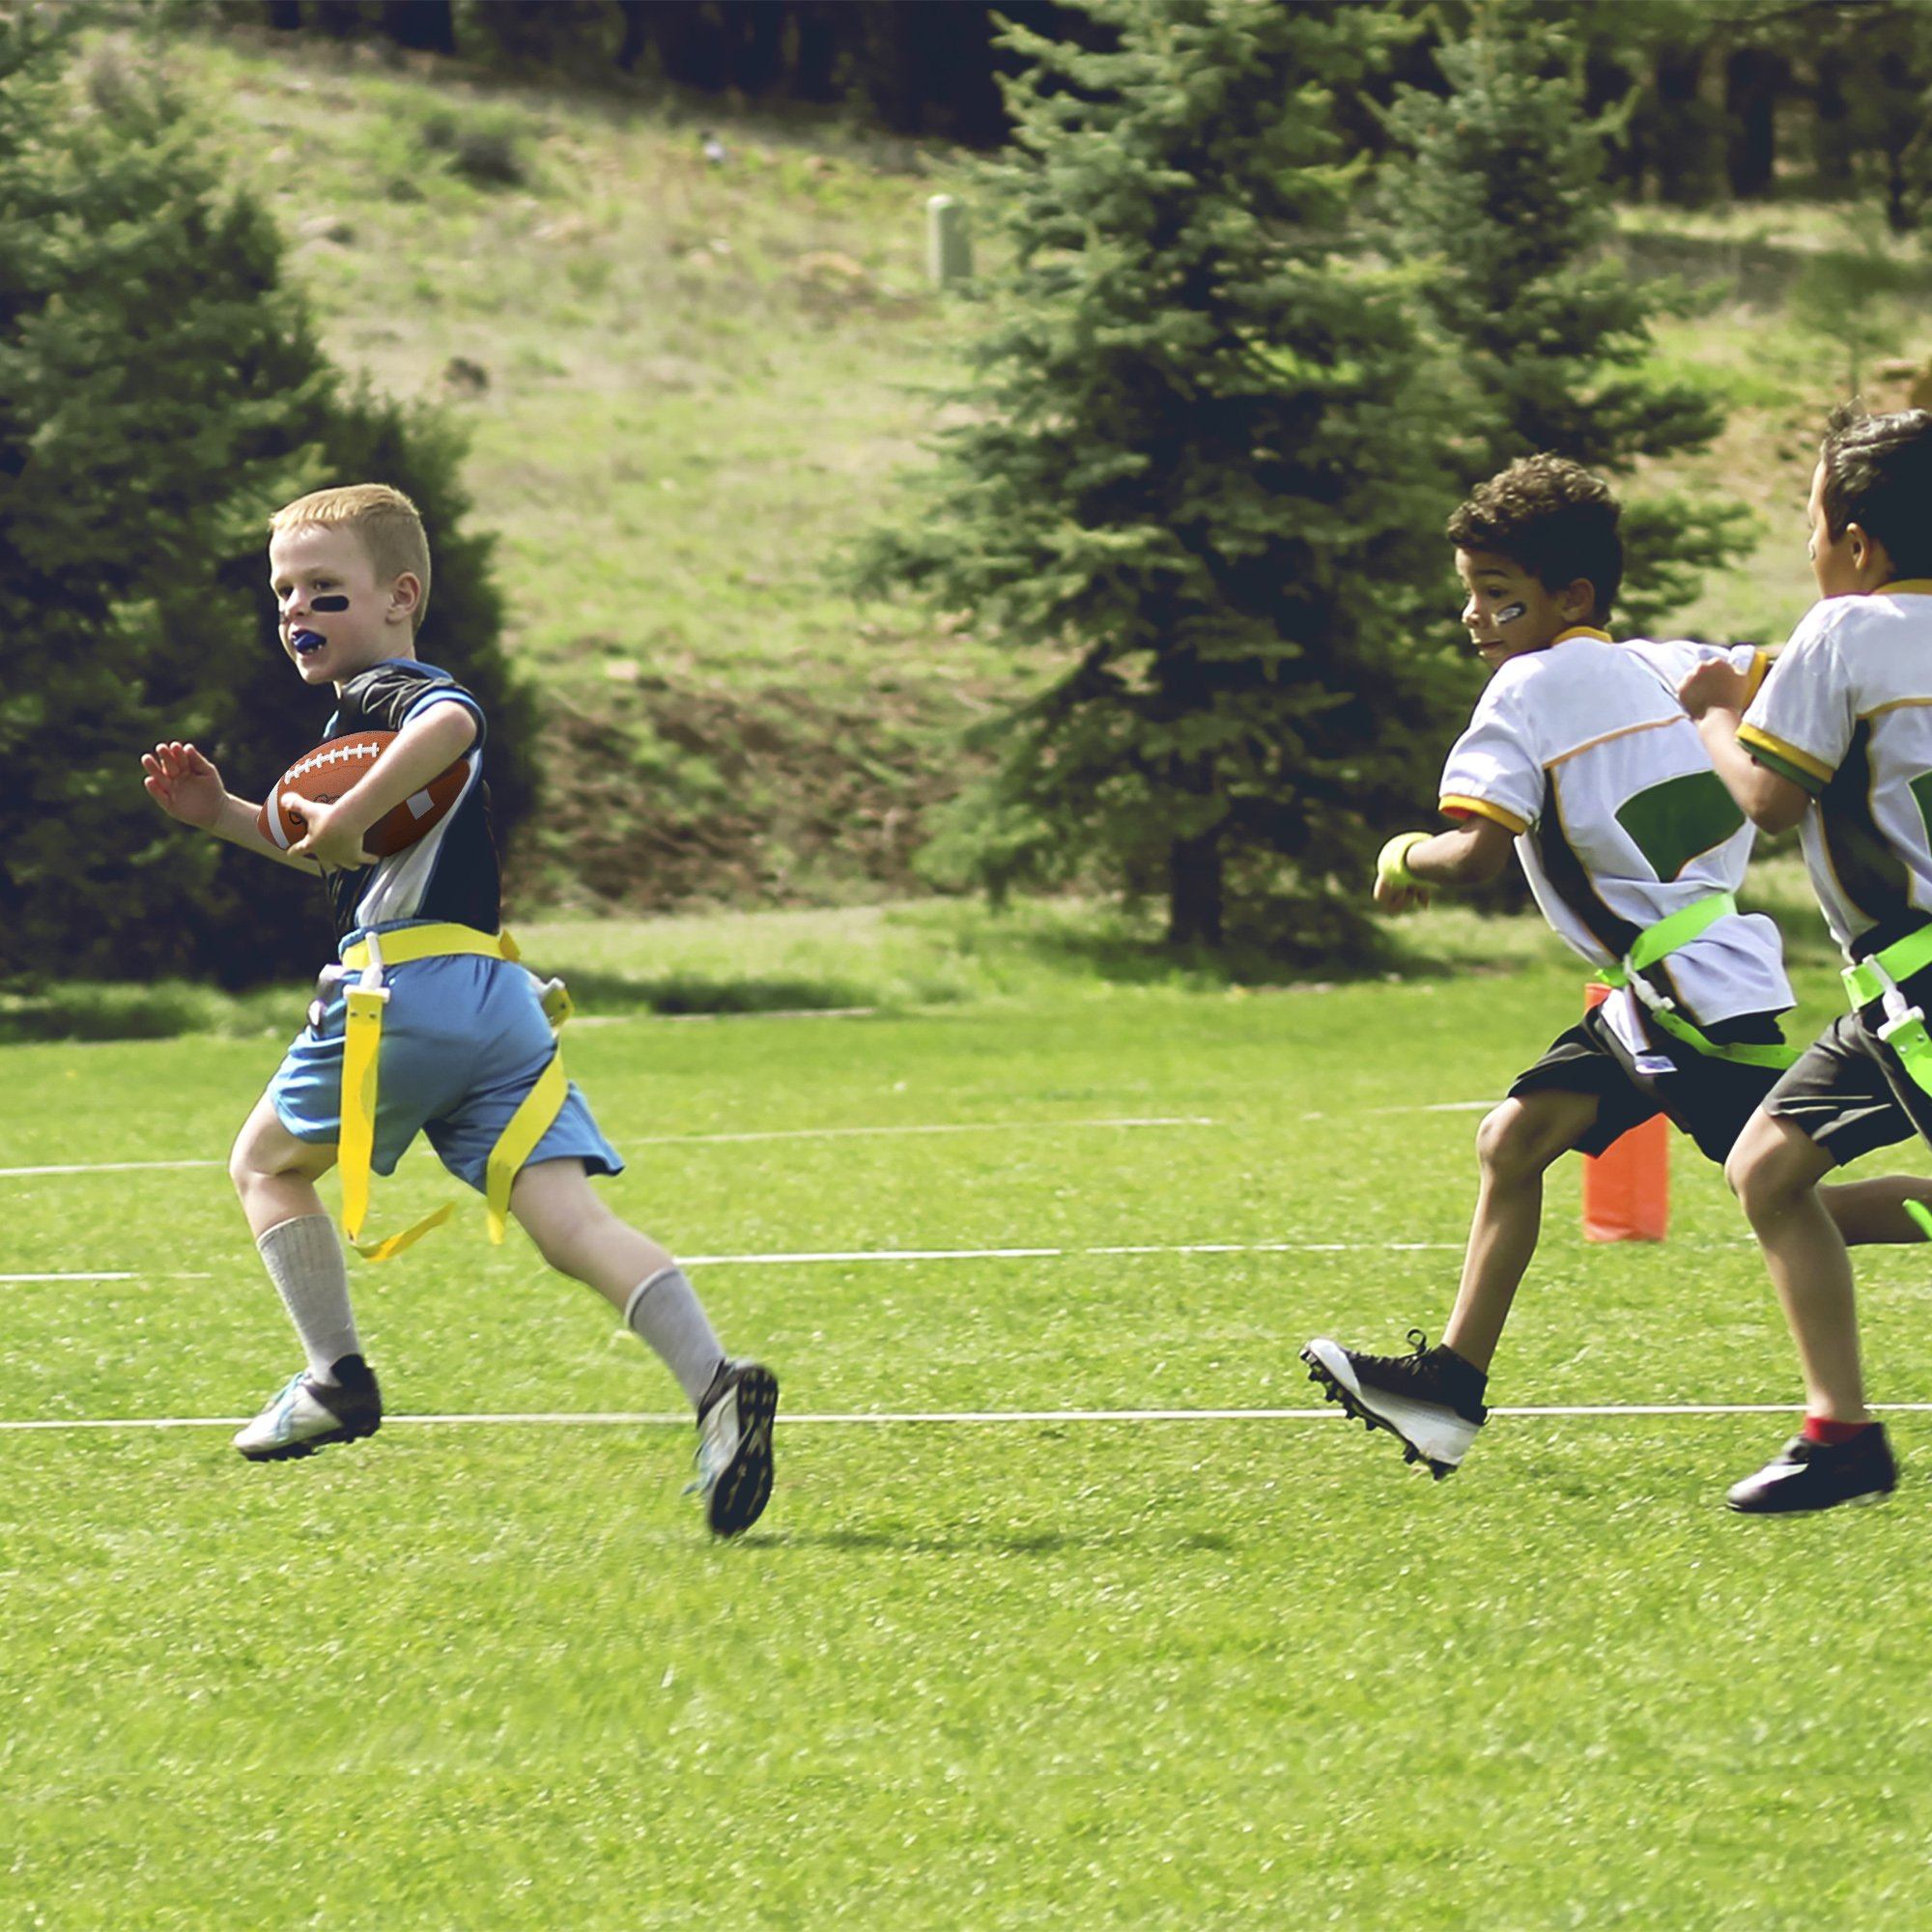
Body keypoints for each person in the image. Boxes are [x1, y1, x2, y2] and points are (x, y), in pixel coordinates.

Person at [141, 483, 776, 1537]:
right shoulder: (359, 724)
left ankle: (334, 1375)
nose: (298, 611)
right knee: (570, 1223)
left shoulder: (396, 691)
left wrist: (342, 812)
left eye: (325, 591)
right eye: (284, 592)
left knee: (263, 1164)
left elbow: (454, 718)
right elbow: (330, 855)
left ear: (399, 596)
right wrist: (226, 817)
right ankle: (716, 1386)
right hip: (499, 1000)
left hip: (406, 993)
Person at [1301, 453, 1932, 1484]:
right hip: (1677, 981)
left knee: (1778, 1189)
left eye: (1495, 597)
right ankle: (1447, 1390)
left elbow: (1473, 854)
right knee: (1512, 1138)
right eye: (1467, 594)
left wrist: (1399, 855)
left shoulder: (1525, 687)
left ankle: (1840, 1425)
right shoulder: (1664, 659)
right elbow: (1778, 688)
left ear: (1570, 597)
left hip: (1683, 999)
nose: (1473, 619)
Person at [1681, 406, 1932, 1514]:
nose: (1808, 547)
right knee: (1767, 1170)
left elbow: (1769, 798)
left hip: (1915, 977)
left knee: (1769, 1177)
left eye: (1811, 523)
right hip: (1886, 990)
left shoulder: (1842, 632)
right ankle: (1839, 1435)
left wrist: (1714, 712)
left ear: (1858, 544)